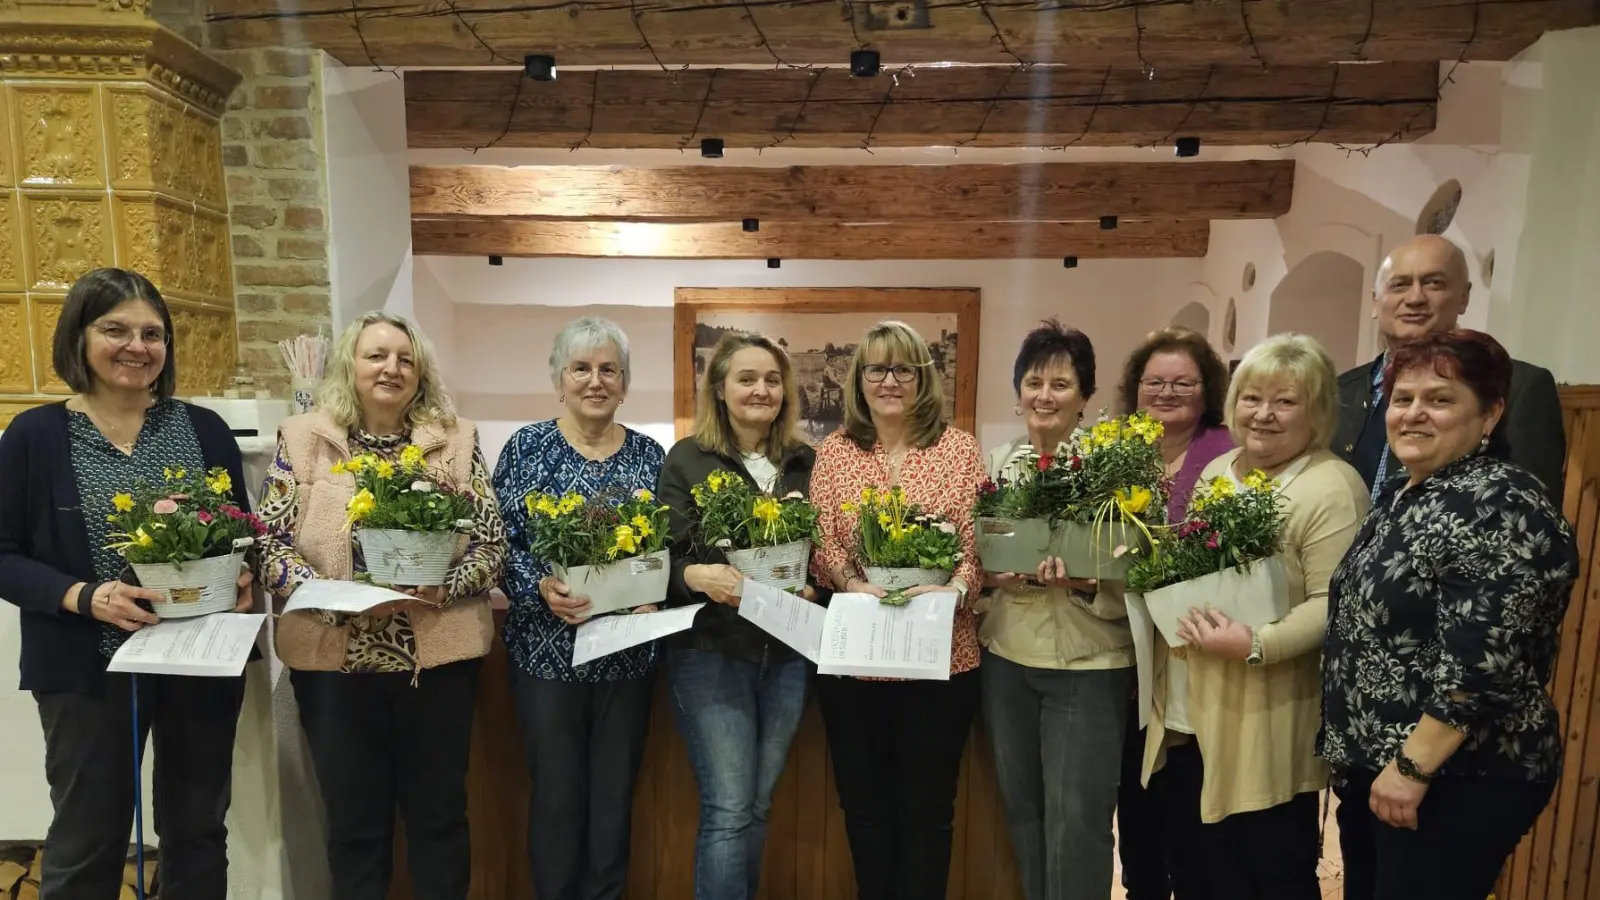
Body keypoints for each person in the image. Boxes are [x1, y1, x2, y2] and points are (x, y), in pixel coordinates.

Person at [0, 268, 253, 899]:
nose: (136, 346)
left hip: (198, 661)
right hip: (85, 667)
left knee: (197, 832)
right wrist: (86, 596)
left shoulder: (205, 430)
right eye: (115, 329)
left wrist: (242, 575)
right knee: (89, 838)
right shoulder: (36, 436)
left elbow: (239, 536)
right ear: (79, 338)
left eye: (152, 334)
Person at [1321, 329, 1578, 900]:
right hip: (1384, 771)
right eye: (1403, 397)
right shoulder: (1405, 493)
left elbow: (1483, 662)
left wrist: (1412, 769)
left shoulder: (1500, 501)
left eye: (1440, 399)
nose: (1414, 413)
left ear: (1490, 415)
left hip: (1457, 778)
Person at [258, 311, 505, 900]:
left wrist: (444, 586)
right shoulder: (302, 440)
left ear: (420, 373)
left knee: (439, 821)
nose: (391, 368)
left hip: (437, 666)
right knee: (354, 829)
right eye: (376, 355)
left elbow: (493, 544)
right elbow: (266, 544)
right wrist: (326, 594)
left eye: (405, 357)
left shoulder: (457, 442)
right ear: (351, 365)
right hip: (334, 668)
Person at [1142, 333, 1368, 900]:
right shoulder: (1221, 468)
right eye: (1252, 398)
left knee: (1266, 869)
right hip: (1195, 710)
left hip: (1266, 710)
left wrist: (1256, 642)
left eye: (1285, 401)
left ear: (1316, 411)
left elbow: (1332, 604)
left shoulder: (1330, 486)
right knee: (1196, 866)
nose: (1264, 415)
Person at [808, 320, 988, 900]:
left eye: (902, 369)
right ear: (859, 379)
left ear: (922, 378)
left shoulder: (959, 449)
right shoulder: (834, 453)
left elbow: (977, 539)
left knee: (927, 809)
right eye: (876, 369)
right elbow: (819, 539)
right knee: (864, 807)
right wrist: (847, 580)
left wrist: (955, 590)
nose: (889, 381)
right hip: (855, 661)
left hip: (942, 660)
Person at [493, 317, 666, 900]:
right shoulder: (526, 447)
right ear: (559, 379)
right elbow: (500, 544)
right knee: (557, 800)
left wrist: (652, 592)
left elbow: (665, 549)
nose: (596, 381)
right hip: (546, 658)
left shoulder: (650, 456)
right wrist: (538, 587)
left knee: (614, 802)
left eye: (608, 369)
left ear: (624, 383)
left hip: (627, 659)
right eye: (582, 368)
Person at [656, 332, 824, 900]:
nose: (761, 389)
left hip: (787, 656)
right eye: (747, 379)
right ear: (720, 390)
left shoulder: (807, 462)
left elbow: (825, 556)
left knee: (756, 805)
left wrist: (814, 589)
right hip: (711, 654)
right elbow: (663, 559)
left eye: (772, 380)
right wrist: (694, 577)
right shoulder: (687, 459)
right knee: (728, 808)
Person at [978, 320, 1133, 900]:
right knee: (1023, 813)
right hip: (1007, 657)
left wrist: (1091, 578)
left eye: (1062, 384)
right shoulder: (997, 465)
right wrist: (991, 575)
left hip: (1087, 663)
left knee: (1079, 823)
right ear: (1017, 392)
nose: (1045, 395)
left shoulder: (1111, 470)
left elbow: (1141, 570)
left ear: (1085, 398)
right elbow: (975, 556)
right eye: (1034, 381)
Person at [1113, 325, 1235, 900]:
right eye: (1154, 381)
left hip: (1197, 660)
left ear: (1207, 389)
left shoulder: (1231, 455)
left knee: (1192, 827)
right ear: (1136, 389)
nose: (1167, 392)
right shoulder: (1115, 452)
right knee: (1135, 816)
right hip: (1127, 659)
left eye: (1183, 382)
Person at [1334, 233, 1565, 505]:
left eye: (1434, 283)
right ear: (1375, 302)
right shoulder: (1339, 391)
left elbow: (1533, 513)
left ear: (1464, 297)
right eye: (1399, 285)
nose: (1415, 298)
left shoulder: (1519, 386)